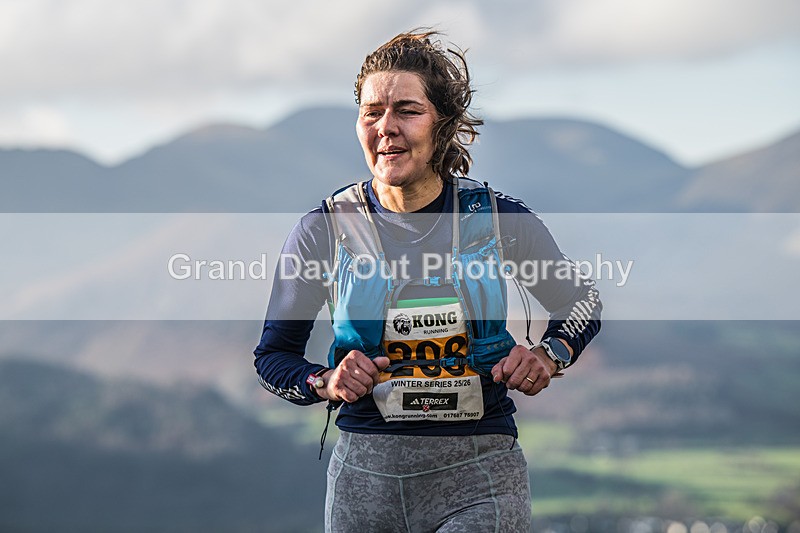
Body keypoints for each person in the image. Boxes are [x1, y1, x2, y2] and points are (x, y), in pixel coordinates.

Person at [254, 30, 602, 533]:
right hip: (364, 481)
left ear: (443, 126)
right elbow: (271, 358)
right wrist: (324, 381)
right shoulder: (324, 230)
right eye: (371, 112)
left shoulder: (497, 218)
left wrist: (550, 354)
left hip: (480, 476)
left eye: (407, 111)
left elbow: (582, 300)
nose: (386, 127)